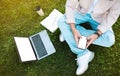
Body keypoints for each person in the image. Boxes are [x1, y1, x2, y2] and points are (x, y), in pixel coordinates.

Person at [57, 0, 120, 75]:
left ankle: (67, 32)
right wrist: (73, 30)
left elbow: (112, 16)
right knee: (61, 21)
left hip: (99, 18)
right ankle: (83, 54)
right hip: (81, 12)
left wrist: (97, 34)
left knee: (109, 40)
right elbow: (70, 5)